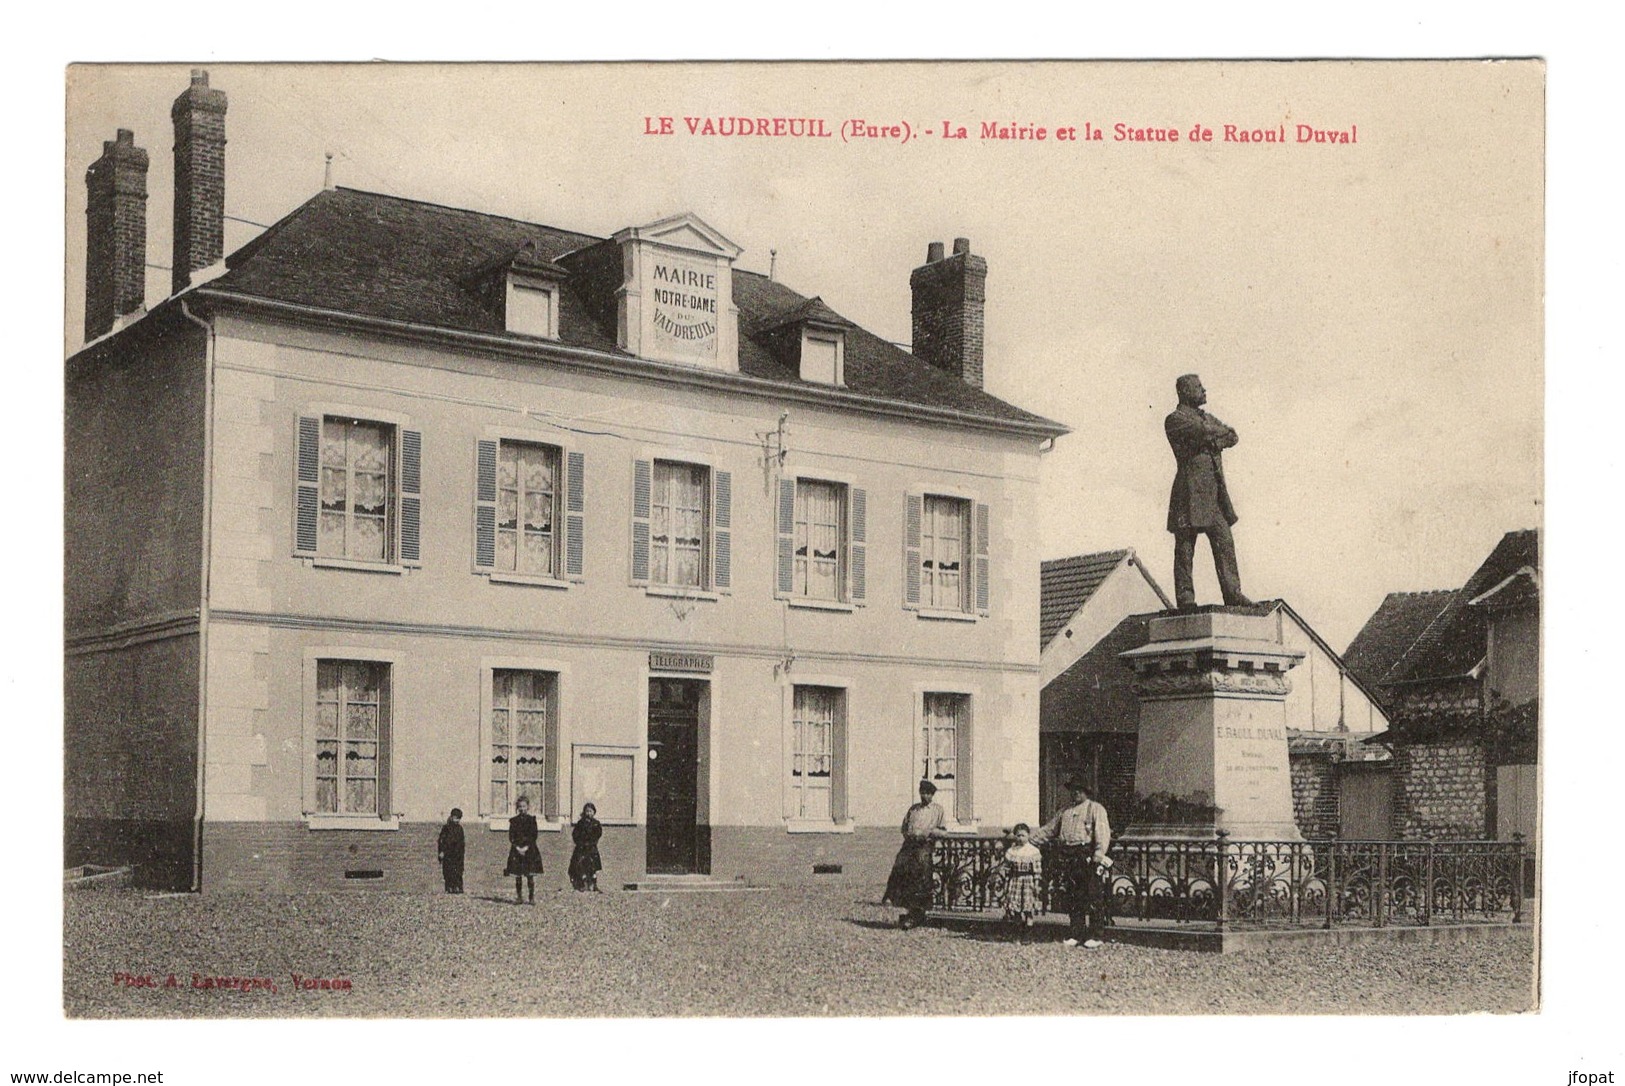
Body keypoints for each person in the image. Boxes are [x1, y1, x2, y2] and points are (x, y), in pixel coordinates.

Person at [1165, 373, 1253, 609]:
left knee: (1224, 541)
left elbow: (1232, 435)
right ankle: (1185, 599)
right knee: (1185, 548)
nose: (1205, 390)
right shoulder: (1175, 419)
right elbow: (1202, 431)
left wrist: (1212, 439)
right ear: (1185, 392)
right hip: (1189, 493)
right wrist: (1214, 436)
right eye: (1199, 387)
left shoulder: (1203, 417)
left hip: (1213, 496)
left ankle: (1233, 593)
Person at [1030, 775, 1113, 948]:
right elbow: (1049, 830)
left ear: (1086, 792)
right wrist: (1027, 840)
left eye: (1079, 789)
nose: (1075, 793)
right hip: (1068, 856)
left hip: (1087, 855)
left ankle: (1096, 935)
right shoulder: (1064, 812)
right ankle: (1076, 932)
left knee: (1093, 895)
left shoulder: (1095, 809)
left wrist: (1098, 855)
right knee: (1073, 896)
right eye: (1073, 789)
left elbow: (1102, 833)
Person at [883, 780, 946, 930]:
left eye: (928, 794)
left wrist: (929, 834)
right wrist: (909, 835)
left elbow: (942, 830)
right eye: (923, 793)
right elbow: (904, 827)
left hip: (924, 846)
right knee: (901, 867)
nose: (925, 796)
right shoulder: (913, 809)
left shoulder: (937, 810)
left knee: (921, 876)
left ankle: (919, 910)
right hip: (910, 845)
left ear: (932, 795)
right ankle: (896, 899)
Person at [999, 823, 1044, 934]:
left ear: (1028, 835)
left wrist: (1036, 884)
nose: (1020, 838)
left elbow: (1037, 870)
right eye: (1018, 835)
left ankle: (1028, 934)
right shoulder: (1012, 851)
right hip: (1015, 881)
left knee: (1028, 909)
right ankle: (1018, 932)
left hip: (1028, 882)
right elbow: (1007, 869)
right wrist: (1006, 883)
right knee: (1016, 908)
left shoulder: (1033, 851)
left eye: (1023, 835)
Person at [504, 795, 543, 903]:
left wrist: (526, 847)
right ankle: (519, 896)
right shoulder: (514, 821)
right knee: (518, 875)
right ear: (517, 808)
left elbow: (534, 835)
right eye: (520, 806)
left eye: (524, 806)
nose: (522, 809)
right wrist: (517, 847)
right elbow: (511, 836)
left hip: (530, 850)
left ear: (528, 807)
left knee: (530, 875)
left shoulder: (531, 820)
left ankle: (531, 897)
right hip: (517, 850)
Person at [568, 802, 603, 892]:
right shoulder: (580, 823)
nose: (589, 813)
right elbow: (575, 834)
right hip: (581, 848)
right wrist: (580, 843)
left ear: (594, 812)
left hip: (592, 848)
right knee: (581, 865)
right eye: (587, 811)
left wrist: (592, 842)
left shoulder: (596, 824)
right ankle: (582, 884)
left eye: (591, 811)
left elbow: (598, 834)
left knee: (593, 867)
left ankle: (594, 884)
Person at [436, 807, 465, 894]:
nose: (457, 820)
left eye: (459, 819)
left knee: (458, 871)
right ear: (451, 817)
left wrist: (461, 853)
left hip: (458, 854)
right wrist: (441, 851)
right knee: (448, 870)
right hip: (448, 853)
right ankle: (449, 887)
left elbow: (462, 842)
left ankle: (458, 887)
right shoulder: (446, 828)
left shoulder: (460, 829)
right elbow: (441, 841)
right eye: (455, 818)